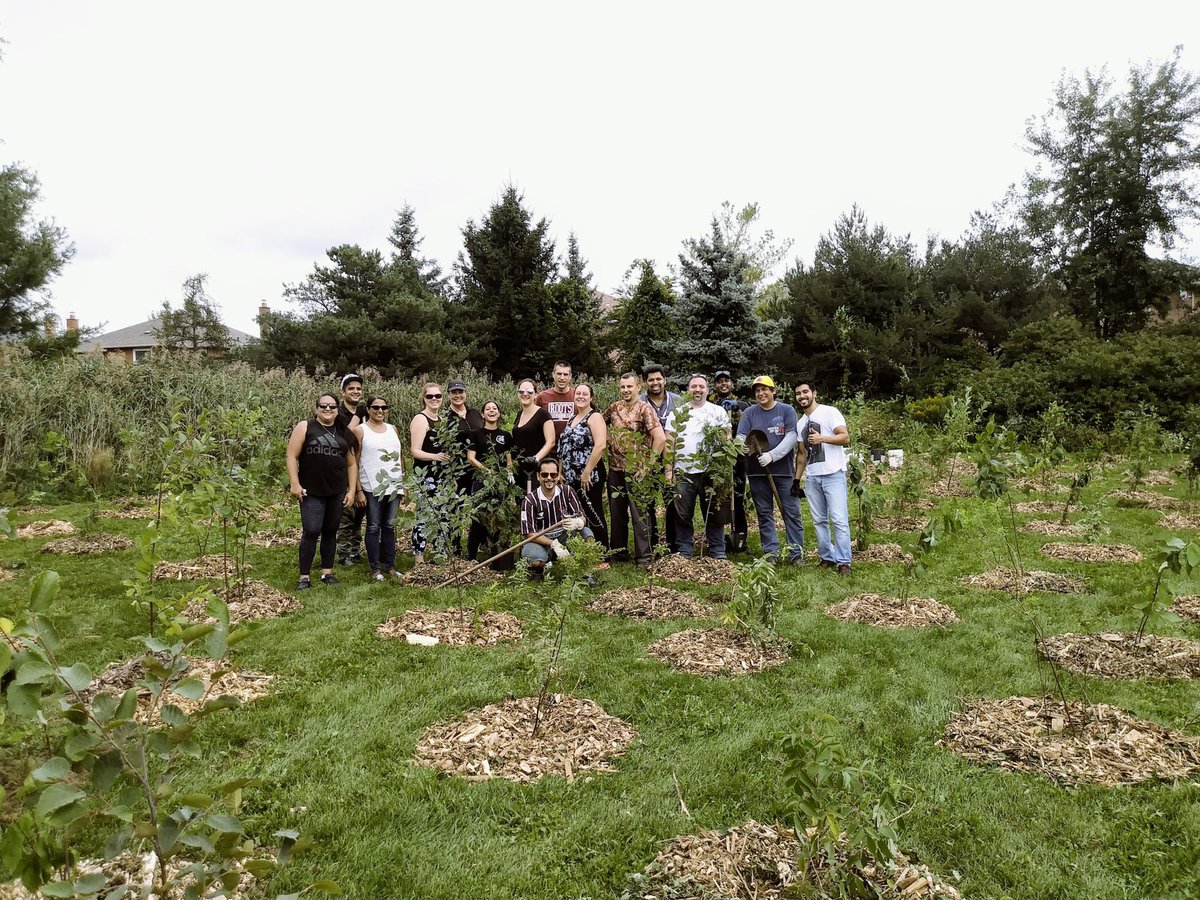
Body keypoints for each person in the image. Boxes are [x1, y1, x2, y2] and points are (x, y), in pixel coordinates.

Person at [286, 393, 358, 590]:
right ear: (316, 408)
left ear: (337, 410)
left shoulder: (343, 432)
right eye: (323, 406)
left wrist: (351, 491)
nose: (328, 409)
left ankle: (327, 572)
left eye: (332, 406)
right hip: (311, 491)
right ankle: (304, 576)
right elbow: (292, 456)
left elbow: (351, 465)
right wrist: (295, 483)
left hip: (336, 491)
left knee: (330, 531)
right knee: (311, 531)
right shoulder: (306, 427)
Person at [736, 375, 804, 564]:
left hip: (783, 471)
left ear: (773, 391)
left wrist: (772, 455)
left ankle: (796, 554)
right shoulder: (749, 413)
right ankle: (771, 552)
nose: (761, 393)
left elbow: (791, 436)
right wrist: (740, 445)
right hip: (757, 472)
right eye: (757, 391)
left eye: (765, 389)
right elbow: (741, 435)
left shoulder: (786, 410)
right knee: (764, 513)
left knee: (792, 512)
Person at [666, 374, 732, 559]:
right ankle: (684, 551)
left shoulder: (717, 412)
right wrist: (669, 470)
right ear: (688, 390)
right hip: (683, 472)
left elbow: (727, 438)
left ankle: (718, 551)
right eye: (694, 386)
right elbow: (669, 443)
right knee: (682, 514)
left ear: (708, 390)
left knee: (713, 512)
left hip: (711, 471)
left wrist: (723, 469)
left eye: (701, 387)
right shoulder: (677, 413)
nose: (697, 390)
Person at [605, 371, 665, 566]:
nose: (625, 390)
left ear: (638, 387)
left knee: (640, 515)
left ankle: (644, 557)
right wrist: (606, 438)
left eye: (629, 386)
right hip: (615, 469)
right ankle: (619, 554)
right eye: (622, 387)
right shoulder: (614, 408)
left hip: (638, 471)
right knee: (617, 514)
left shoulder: (644, 409)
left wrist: (648, 465)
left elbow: (660, 438)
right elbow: (597, 421)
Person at [795, 380, 853, 576]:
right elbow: (802, 454)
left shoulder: (830, 412)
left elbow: (845, 438)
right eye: (798, 394)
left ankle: (844, 561)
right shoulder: (800, 423)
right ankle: (826, 557)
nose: (802, 396)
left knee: (838, 519)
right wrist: (797, 480)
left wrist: (822, 438)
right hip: (813, 477)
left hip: (833, 474)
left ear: (814, 393)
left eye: (805, 392)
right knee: (819, 520)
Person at [354, 395, 405, 581]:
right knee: (374, 526)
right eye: (375, 407)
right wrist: (358, 489)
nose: (380, 411)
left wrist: (403, 483)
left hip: (393, 485)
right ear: (368, 409)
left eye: (384, 407)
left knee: (390, 526)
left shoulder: (393, 429)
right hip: (371, 485)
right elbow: (354, 460)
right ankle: (375, 569)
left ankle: (390, 566)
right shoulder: (361, 431)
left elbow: (400, 457)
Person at [519, 456, 594, 576]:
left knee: (587, 533)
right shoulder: (530, 500)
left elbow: (582, 516)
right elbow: (529, 533)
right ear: (538, 476)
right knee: (536, 561)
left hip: (564, 536)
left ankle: (586, 571)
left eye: (553, 475)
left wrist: (578, 522)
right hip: (541, 540)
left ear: (558, 476)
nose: (549, 478)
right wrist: (553, 544)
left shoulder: (567, 491)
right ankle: (541, 567)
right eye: (544, 475)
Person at [556, 382, 609, 548]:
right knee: (578, 514)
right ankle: (583, 550)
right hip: (571, 476)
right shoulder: (572, 419)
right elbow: (563, 448)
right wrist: (560, 471)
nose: (581, 396)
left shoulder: (594, 417)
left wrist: (587, 472)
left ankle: (602, 552)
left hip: (590, 475)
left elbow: (600, 445)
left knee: (593, 513)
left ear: (591, 397)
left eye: (585, 394)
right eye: (578, 393)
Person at [640, 364, 683, 553]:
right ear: (645, 383)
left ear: (665, 380)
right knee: (646, 503)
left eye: (658, 379)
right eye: (651, 380)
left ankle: (674, 544)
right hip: (646, 459)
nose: (655, 383)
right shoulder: (639, 402)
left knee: (672, 501)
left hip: (672, 459)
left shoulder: (678, 402)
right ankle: (651, 545)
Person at [466, 399, 515, 561]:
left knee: (499, 517)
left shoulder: (506, 435)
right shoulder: (476, 434)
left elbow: (509, 461)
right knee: (479, 517)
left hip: (500, 483)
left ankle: (496, 554)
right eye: (488, 409)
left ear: (499, 413)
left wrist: (508, 474)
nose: (491, 411)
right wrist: (487, 471)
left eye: (495, 408)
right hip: (482, 481)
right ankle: (472, 555)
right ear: (483, 414)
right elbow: (471, 458)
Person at [409, 382, 450, 564]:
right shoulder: (420, 419)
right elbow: (415, 451)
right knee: (425, 516)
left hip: (442, 476)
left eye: (438, 396)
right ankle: (419, 557)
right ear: (424, 398)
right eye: (430, 396)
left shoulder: (441, 420)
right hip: (426, 475)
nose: (434, 399)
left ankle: (440, 554)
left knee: (442, 515)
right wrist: (436, 457)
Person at [712, 368, 750, 553]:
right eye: (720, 381)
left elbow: (749, 428)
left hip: (738, 458)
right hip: (718, 459)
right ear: (715, 386)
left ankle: (741, 537)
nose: (723, 384)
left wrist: (736, 411)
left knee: (739, 497)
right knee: (720, 498)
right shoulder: (711, 407)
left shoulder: (742, 404)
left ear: (732, 384)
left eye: (726, 381)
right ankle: (721, 538)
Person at [335, 373, 369, 566]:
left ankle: (356, 550)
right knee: (346, 514)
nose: (356, 392)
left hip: (362, 466)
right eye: (351, 389)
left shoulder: (366, 413)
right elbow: (346, 437)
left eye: (358, 389)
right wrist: (357, 417)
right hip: (344, 468)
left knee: (359, 513)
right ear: (343, 392)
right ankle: (343, 553)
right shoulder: (337, 413)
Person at [511, 378, 556, 492]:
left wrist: (536, 458)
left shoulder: (543, 414)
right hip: (520, 469)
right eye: (521, 391)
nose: (525, 394)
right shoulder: (519, 414)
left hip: (536, 470)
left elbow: (551, 441)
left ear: (536, 395)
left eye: (529, 392)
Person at [537, 361, 577, 439]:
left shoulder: (578, 396)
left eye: (565, 374)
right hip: (548, 447)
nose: (562, 378)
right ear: (553, 374)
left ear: (570, 376)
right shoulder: (542, 397)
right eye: (559, 374)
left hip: (572, 447)